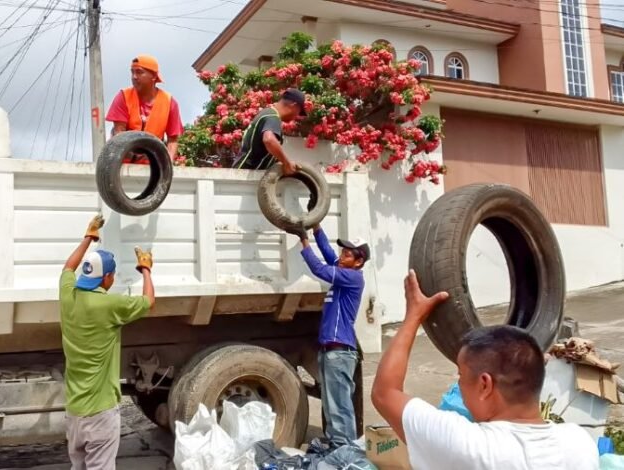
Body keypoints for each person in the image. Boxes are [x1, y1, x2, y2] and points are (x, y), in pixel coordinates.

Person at [371, 270, 599, 470]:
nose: (458, 384)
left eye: (460, 376)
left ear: (484, 385)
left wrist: (414, 315)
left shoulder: (465, 446)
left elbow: (385, 392)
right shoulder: (579, 444)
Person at [59, 215, 155, 470]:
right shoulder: (109, 305)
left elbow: (68, 268)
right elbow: (148, 302)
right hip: (100, 413)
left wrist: (88, 237)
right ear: (107, 278)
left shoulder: (68, 295)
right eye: (112, 276)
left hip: (75, 412)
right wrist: (145, 268)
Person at [296, 223, 369, 447]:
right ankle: (338, 445)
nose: (341, 255)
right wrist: (316, 228)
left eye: (347, 254)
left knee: (339, 404)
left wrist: (304, 240)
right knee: (330, 403)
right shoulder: (344, 271)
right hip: (330, 351)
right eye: (343, 252)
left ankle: (345, 448)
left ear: (358, 262)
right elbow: (328, 255)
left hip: (340, 351)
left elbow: (319, 268)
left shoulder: (352, 278)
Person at [106, 55, 184, 161]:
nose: (134, 76)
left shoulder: (169, 102)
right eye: (132, 72)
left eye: (139, 72)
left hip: (153, 164)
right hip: (123, 162)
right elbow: (119, 133)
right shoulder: (123, 96)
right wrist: (130, 158)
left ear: (153, 76)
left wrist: (167, 166)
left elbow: (173, 140)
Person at [233, 88, 307, 176]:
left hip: (244, 173)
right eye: (299, 112)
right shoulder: (272, 116)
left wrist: (284, 163)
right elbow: (269, 140)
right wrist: (286, 163)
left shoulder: (267, 113)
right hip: (245, 175)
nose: (296, 116)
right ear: (293, 105)